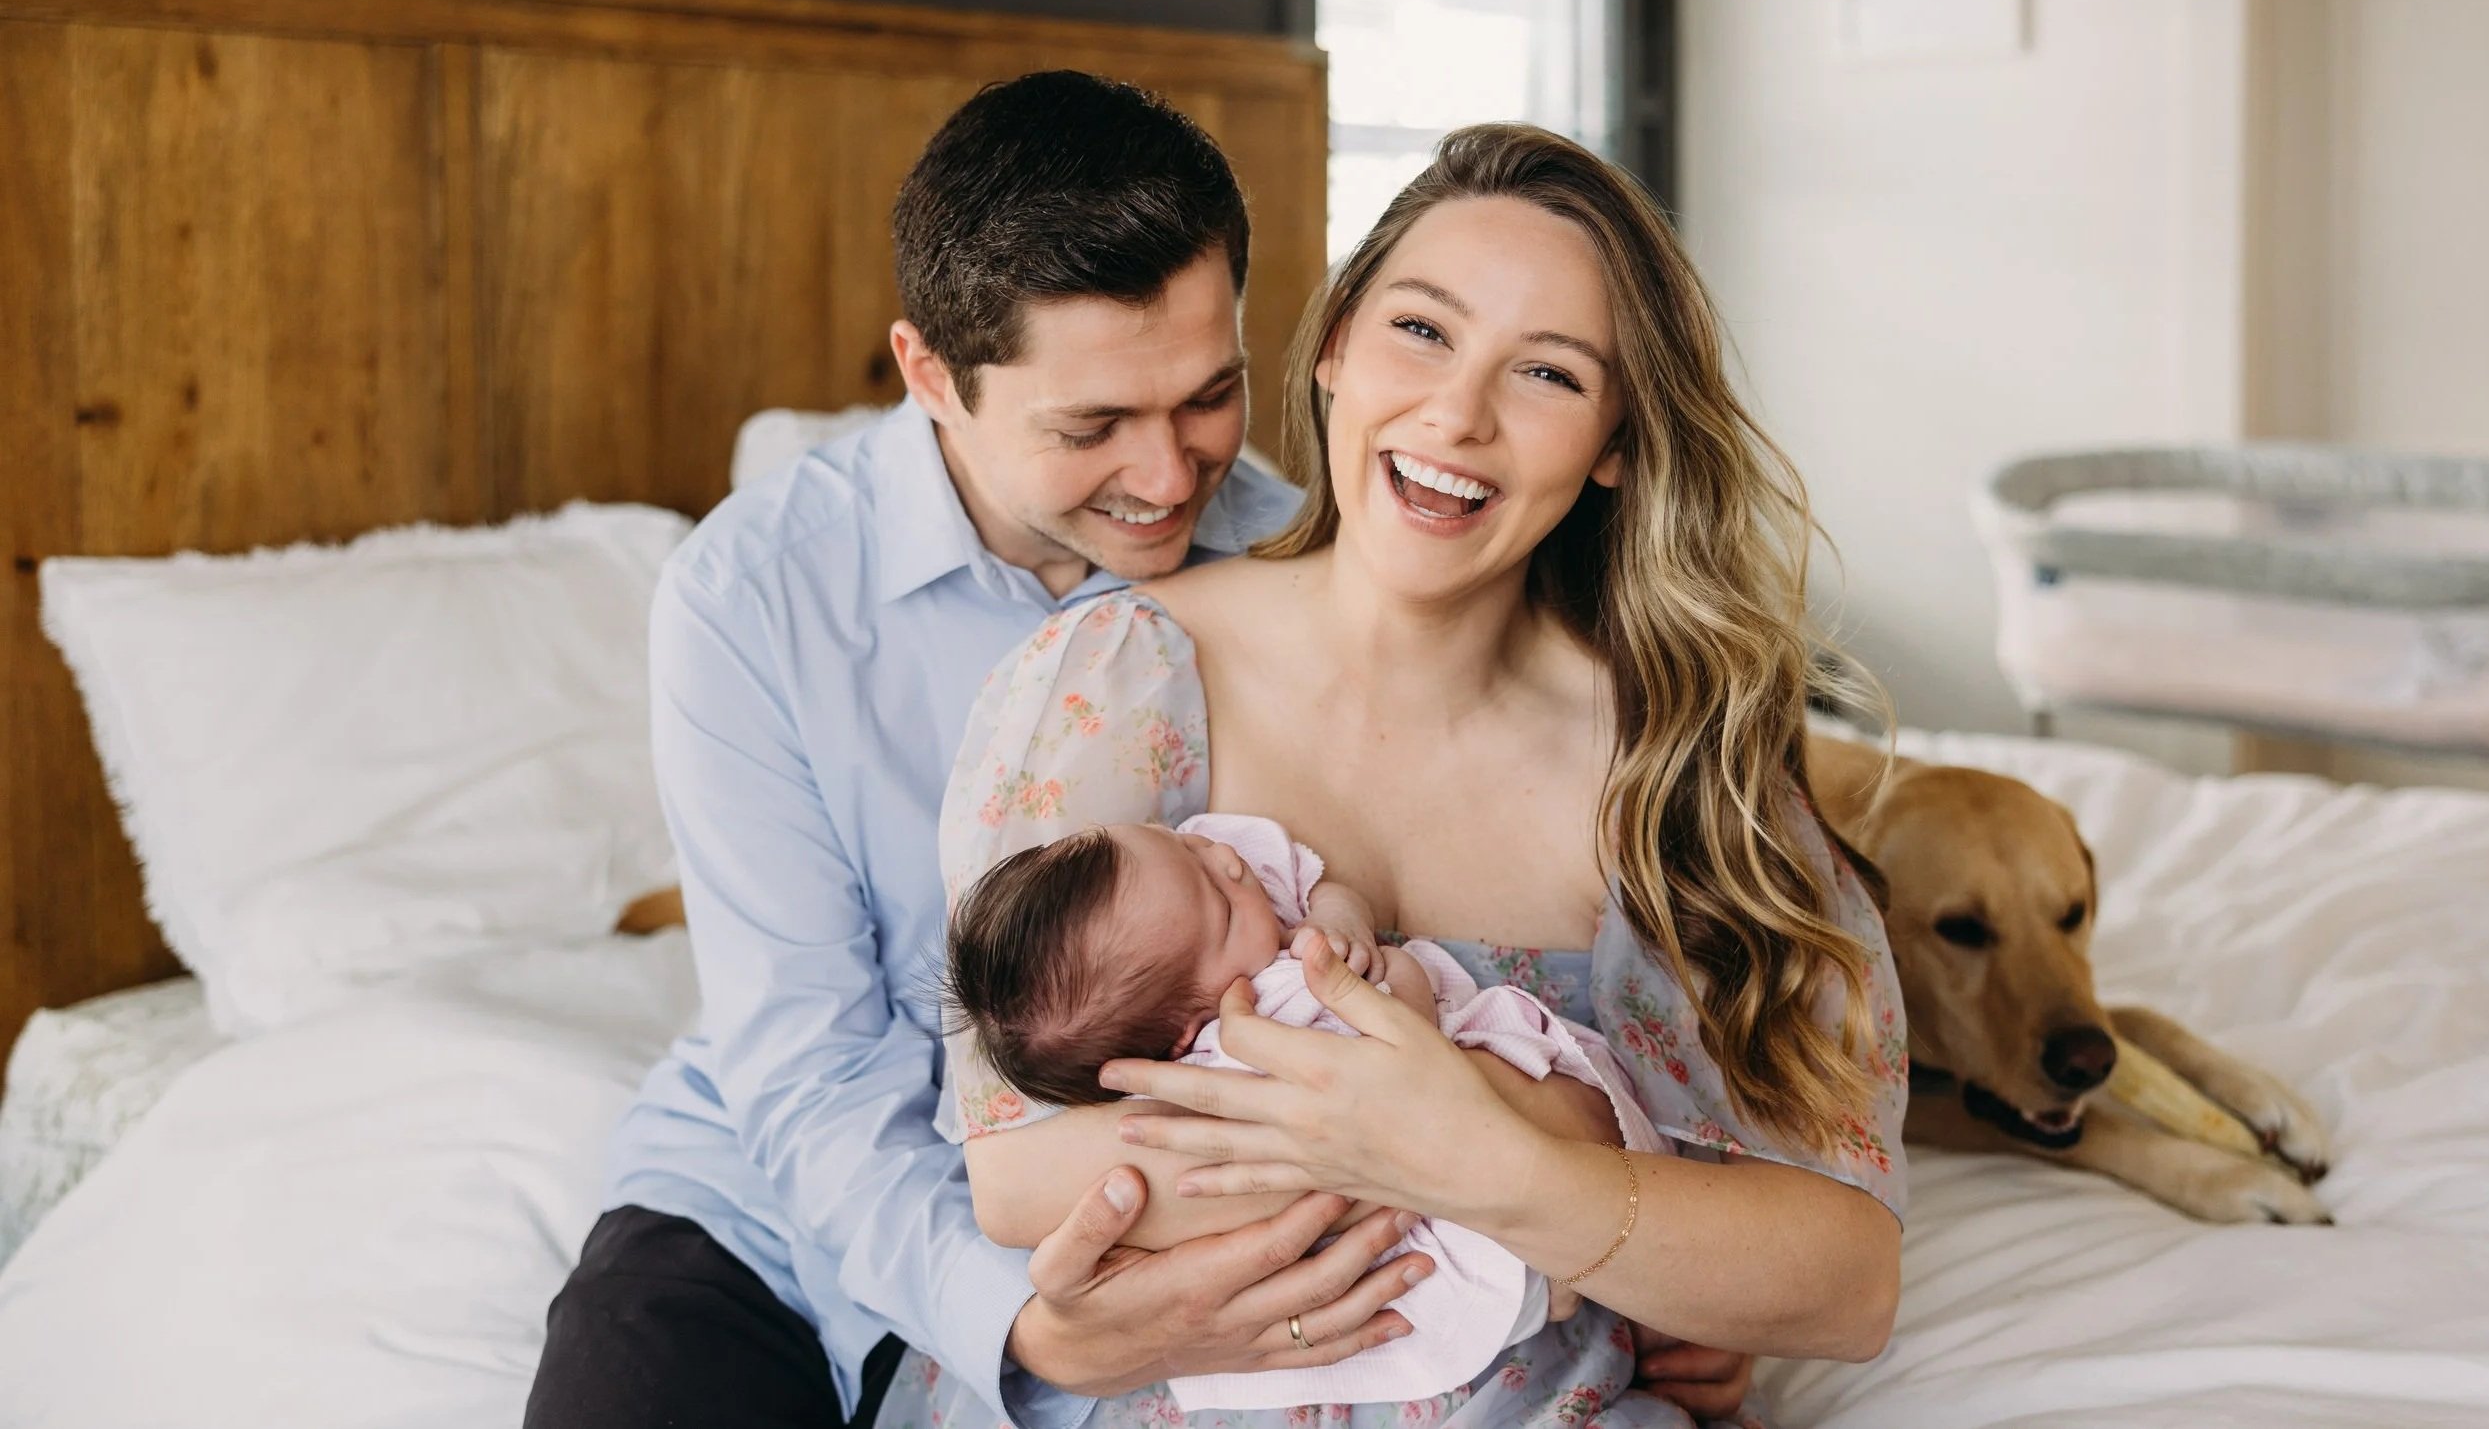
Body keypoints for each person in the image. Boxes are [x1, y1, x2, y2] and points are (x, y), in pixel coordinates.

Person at [896, 123, 1911, 1429]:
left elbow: (1845, 1279)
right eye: (1422, 330)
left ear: (1614, 438)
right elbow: (1019, 1172)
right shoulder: (1110, 679)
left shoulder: (1674, 759)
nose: (1458, 414)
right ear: (1334, 346)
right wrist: (1532, 1164)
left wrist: (1491, 1162)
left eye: (1547, 372)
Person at [524, 71, 1392, 1429]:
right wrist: (1025, 1328)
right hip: (766, 1214)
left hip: (1152, 1190)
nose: (1170, 477)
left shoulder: (1299, 563)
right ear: (930, 372)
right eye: (1091, 425)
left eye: (1207, 395)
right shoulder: (751, 597)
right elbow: (808, 1069)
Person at [944, 813, 1663, 1412]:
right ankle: (1542, 1287)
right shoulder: (1254, 1030)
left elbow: (1312, 884)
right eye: (1222, 903)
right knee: (1439, 1267)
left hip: (1511, 1154)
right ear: (1188, 1036)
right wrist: (1395, 974)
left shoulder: (1196, 881)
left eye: (1182, 843)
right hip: (1420, 1230)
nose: (1226, 859)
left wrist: (1338, 915)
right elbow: (1401, 1057)